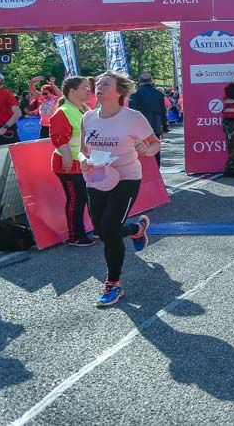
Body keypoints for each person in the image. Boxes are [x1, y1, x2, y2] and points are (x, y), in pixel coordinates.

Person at [81, 71, 158, 307]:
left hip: (126, 177)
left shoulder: (132, 117)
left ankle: (113, 284)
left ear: (119, 91)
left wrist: (147, 150)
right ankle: (136, 228)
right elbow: (84, 148)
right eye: (98, 84)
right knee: (102, 232)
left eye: (105, 84)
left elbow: (155, 143)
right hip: (97, 177)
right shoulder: (88, 118)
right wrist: (83, 159)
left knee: (110, 227)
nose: (99, 88)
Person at [50, 76, 95, 247]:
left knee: (87, 197)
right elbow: (58, 136)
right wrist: (67, 155)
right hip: (68, 163)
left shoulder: (83, 109)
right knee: (77, 198)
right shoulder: (63, 111)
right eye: (84, 87)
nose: (88, 91)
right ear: (72, 91)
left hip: (83, 162)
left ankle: (97, 229)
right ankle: (75, 236)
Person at [128, 72, 169, 167]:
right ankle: (156, 171)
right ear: (151, 81)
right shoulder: (158, 94)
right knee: (155, 149)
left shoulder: (135, 94)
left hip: (139, 127)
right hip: (155, 125)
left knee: (139, 151)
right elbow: (163, 111)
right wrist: (165, 127)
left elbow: (132, 112)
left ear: (139, 82)